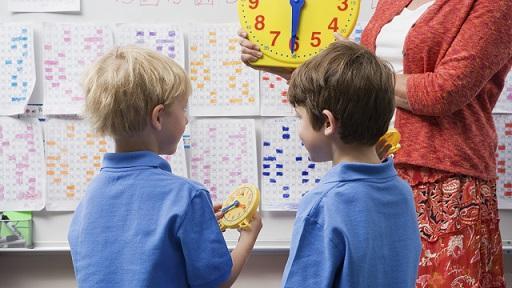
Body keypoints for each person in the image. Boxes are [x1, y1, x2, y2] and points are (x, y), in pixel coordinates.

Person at [241, 0, 512, 286]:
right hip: (378, 171)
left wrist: (355, 75)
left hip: (444, 182)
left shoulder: (494, 4)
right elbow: (349, 95)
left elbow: (443, 93)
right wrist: (273, 58)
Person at [68, 46, 262, 288]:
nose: (187, 118)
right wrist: (248, 237)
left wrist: (196, 226)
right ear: (158, 117)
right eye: (183, 108)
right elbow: (216, 283)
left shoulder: (89, 197)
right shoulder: (188, 197)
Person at [280, 41, 421, 287]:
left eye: (299, 118)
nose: (299, 130)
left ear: (327, 122)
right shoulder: (402, 192)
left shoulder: (322, 205)